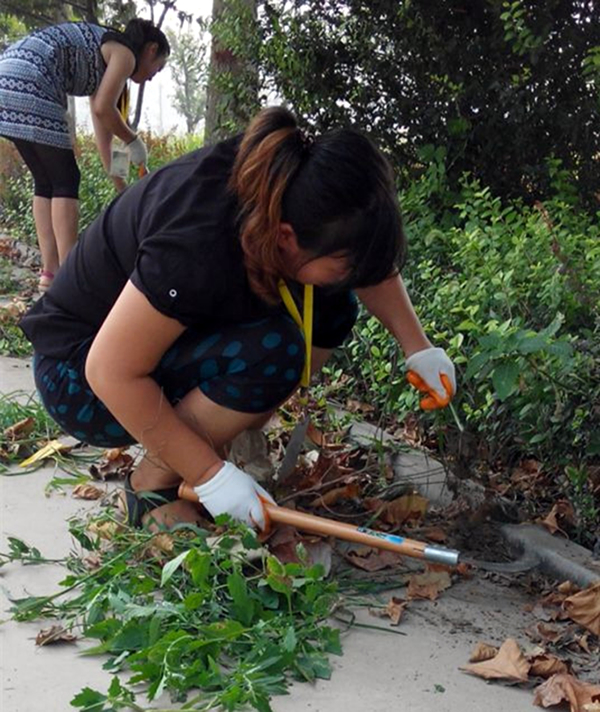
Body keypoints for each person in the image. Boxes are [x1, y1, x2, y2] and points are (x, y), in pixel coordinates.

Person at [19, 106, 456, 531]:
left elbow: (361, 260)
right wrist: (210, 475)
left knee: (332, 306)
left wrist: (418, 347)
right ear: (287, 237)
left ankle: (211, 445)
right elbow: (109, 372)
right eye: (346, 267)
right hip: (78, 377)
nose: (358, 277)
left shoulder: (281, 181)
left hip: (140, 349)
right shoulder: (196, 243)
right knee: (277, 350)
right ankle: (153, 488)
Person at [0, 18, 170, 292]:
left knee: (46, 181)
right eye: (158, 67)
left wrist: (122, 187)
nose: (153, 75)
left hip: (6, 75)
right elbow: (105, 109)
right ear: (150, 50)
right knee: (67, 179)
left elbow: (104, 130)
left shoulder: (106, 64)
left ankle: (50, 273)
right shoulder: (125, 54)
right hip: (33, 76)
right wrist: (134, 141)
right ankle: (70, 277)